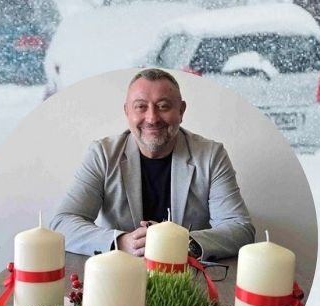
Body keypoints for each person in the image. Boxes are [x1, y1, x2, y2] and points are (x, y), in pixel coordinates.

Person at [49, 68, 255, 260]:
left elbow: (240, 229)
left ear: (181, 111)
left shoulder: (211, 155)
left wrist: (182, 243)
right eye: (141, 107)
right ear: (127, 112)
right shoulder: (102, 154)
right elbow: (62, 223)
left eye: (163, 106)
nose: (152, 118)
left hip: (187, 278)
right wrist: (121, 242)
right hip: (120, 274)